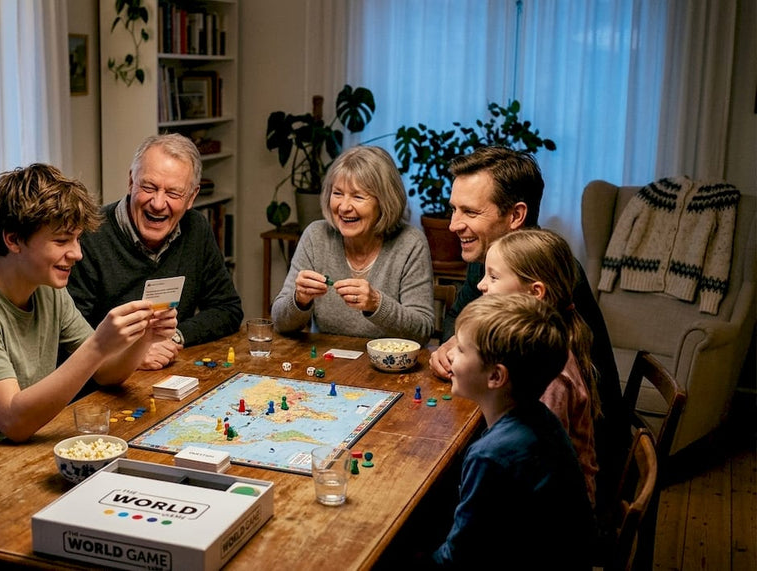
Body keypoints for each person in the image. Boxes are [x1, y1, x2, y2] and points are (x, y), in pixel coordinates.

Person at [0, 164, 177, 484]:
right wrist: (100, 344)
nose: (76, 253)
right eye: (62, 241)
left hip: (14, 459)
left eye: (76, 239)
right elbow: (13, 420)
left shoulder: (47, 290)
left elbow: (104, 373)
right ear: (13, 239)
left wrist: (143, 338)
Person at [426, 145, 626, 512]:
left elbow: (554, 433)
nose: (453, 224)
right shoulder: (489, 259)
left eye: (469, 211)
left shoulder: (546, 272)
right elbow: (460, 316)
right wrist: (451, 343)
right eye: (454, 208)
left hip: (568, 483)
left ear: (516, 214)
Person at [428, 294, 596, 570]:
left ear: (496, 377)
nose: (449, 355)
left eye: (460, 350)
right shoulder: (541, 417)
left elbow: (459, 558)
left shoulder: (491, 455)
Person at [67, 134, 242, 370]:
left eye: (173, 193)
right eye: (148, 187)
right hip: (101, 387)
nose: (158, 203)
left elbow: (227, 309)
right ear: (131, 182)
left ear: (192, 197)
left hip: (170, 372)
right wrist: (131, 354)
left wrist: (176, 336)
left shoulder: (196, 228)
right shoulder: (88, 236)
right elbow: (70, 337)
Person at [477, 228, 600, 506]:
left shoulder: (550, 377)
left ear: (535, 294)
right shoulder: (537, 349)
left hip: (556, 518)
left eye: (494, 277)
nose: (481, 285)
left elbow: (538, 463)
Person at [270, 145, 434, 343]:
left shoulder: (410, 243)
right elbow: (280, 323)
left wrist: (377, 304)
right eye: (337, 193)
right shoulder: (316, 236)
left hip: (389, 369)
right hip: (325, 364)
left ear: (384, 201)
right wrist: (299, 300)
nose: (344, 207)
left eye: (357, 196)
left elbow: (423, 330)